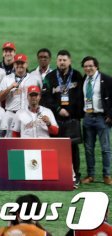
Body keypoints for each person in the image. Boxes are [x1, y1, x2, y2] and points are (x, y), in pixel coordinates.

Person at [41, 50, 84, 186]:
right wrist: (59, 110)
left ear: (70, 61)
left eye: (65, 60)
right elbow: (46, 97)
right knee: (56, 147)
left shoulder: (77, 76)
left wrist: (70, 112)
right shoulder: (50, 77)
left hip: (72, 118)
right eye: (60, 60)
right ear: (56, 61)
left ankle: (75, 175)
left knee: (73, 148)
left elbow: (80, 97)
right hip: (56, 118)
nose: (62, 62)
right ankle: (57, 174)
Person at [80, 56, 112, 185]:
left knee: (105, 148)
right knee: (88, 149)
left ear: (96, 66)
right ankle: (90, 175)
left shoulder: (106, 79)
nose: (88, 68)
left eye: (90, 66)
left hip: (101, 118)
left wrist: (110, 115)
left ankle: (107, 175)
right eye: (86, 66)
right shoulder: (84, 80)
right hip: (87, 118)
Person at [0, 54, 43, 137]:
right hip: (11, 115)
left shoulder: (34, 79)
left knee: (28, 142)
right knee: (9, 143)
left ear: (26, 64)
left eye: (22, 63)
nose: (19, 65)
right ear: (14, 64)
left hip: (28, 115)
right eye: (17, 63)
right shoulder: (7, 79)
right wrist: (9, 88)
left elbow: (40, 97)